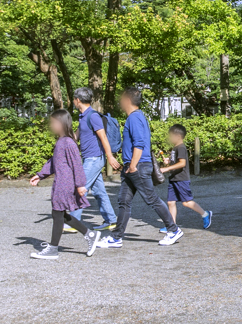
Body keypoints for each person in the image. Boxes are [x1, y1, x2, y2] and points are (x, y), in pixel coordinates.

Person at [99, 88, 180, 249]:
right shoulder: (137, 117)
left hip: (138, 166)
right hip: (134, 166)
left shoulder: (134, 118)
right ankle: (116, 237)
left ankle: (173, 229)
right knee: (124, 201)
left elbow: (140, 143)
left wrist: (133, 165)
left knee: (152, 199)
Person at [28, 109, 97, 259]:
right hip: (61, 182)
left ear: (61, 124)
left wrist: (80, 184)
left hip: (65, 184)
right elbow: (53, 162)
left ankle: (53, 248)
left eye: (53, 123)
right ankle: (90, 234)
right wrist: (40, 175)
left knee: (57, 213)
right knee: (60, 214)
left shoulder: (68, 142)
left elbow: (77, 164)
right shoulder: (61, 142)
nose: (51, 126)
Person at [71, 88, 119, 226]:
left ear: (78, 100)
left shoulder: (93, 116)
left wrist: (109, 157)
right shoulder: (83, 116)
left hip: (94, 158)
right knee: (99, 192)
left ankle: (73, 222)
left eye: (74, 99)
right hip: (89, 158)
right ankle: (111, 220)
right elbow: (76, 136)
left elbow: (103, 137)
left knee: (80, 188)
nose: (74, 101)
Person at [159, 123, 211, 243]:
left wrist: (166, 169)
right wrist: (168, 161)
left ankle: (205, 214)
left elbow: (182, 163)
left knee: (187, 202)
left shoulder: (181, 147)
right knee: (170, 202)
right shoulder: (175, 148)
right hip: (173, 178)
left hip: (181, 179)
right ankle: (172, 227)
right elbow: (175, 162)